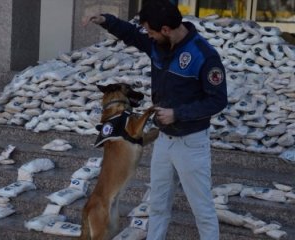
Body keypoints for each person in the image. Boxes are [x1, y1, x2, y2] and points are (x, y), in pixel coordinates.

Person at [83, 0, 227, 239]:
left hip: (191, 144)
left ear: (166, 30)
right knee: (158, 206)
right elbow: (132, 34)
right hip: (164, 141)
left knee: (202, 210)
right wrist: (106, 21)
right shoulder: (157, 44)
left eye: (150, 31)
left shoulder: (204, 55)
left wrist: (177, 113)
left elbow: (218, 100)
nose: (147, 35)